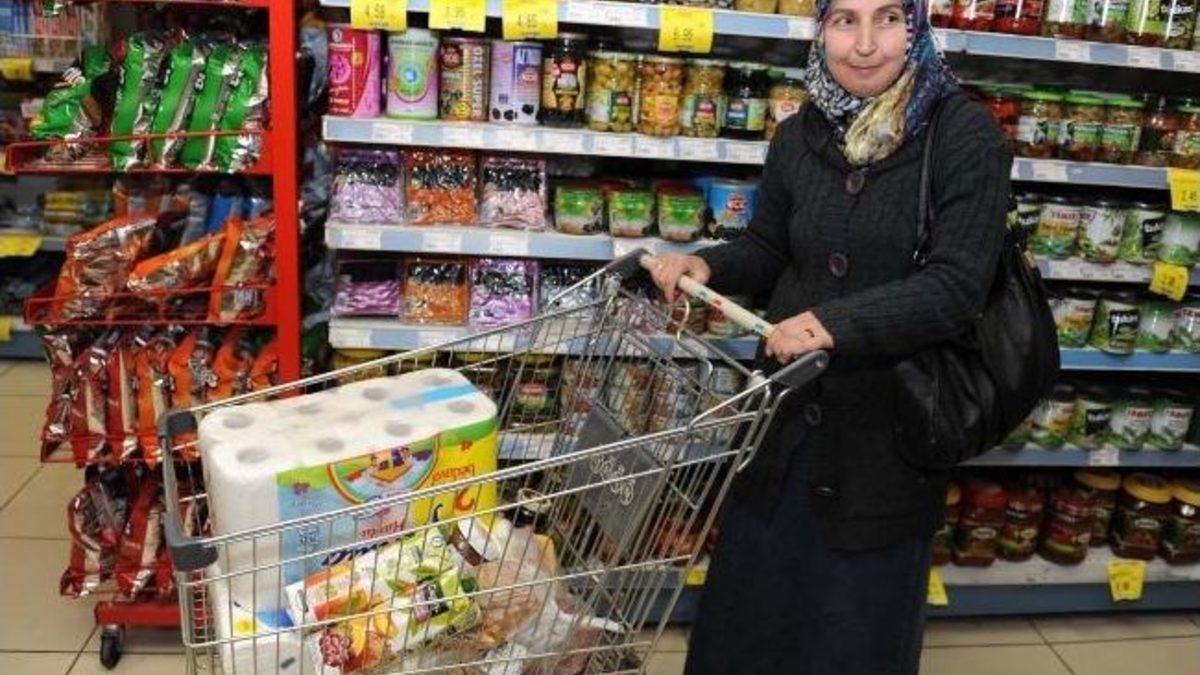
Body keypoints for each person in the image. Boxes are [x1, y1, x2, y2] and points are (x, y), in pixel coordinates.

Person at [649, 0, 1012, 673]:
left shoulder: (964, 135)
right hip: (782, 428)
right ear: (821, 31)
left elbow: (958, 286)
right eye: (845, 20)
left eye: (888, 18)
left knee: (849, 637)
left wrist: (834, 325)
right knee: (748, 623)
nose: (865, 44)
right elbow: (769, 246)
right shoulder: (799, 133)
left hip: (885, 439)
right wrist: (709, 265)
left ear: (917, 27)